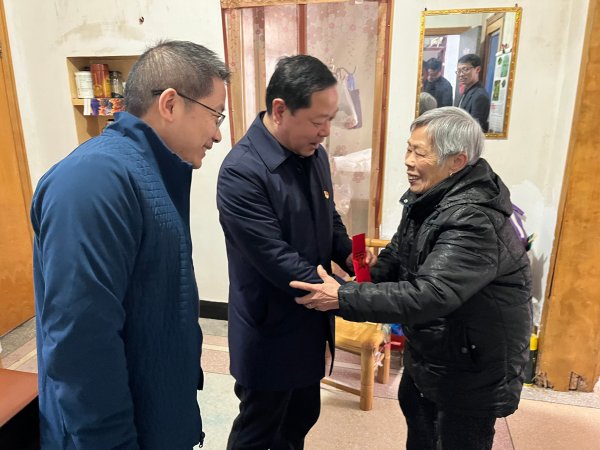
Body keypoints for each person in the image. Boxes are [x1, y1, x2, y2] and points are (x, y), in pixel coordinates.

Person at [291, 107, 533, 450]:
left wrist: (343, 297)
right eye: (408, 149)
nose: (407, 161)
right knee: (419, 430)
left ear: (457, 162)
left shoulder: (474, 219)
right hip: (434, 353)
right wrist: (365, 276)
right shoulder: (428, 198)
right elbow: (397, 255)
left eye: (419, 153)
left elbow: (430, 295)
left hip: (471, 368)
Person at [31, 40, 230, 449]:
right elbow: (81, 347)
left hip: (157, 416)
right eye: (215, 114)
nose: (217, 133)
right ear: (170, 104)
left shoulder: (151, 171)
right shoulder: (93, 180)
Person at [217, 55, 372, 450]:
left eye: (331, 119)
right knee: (259, 430)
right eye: (318, 121)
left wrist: (352, 256)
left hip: (311, 320)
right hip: (269, 328)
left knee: (301, 418)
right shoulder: (242, 172)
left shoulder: (313, 154)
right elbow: (275, 258)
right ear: (280, 110)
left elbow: (328, 218)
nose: (326, 131)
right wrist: (348, 294)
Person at [454, 53, 491, 132]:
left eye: (465, 69)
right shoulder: (467, 91)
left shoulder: (479, 96)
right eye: (459, 71)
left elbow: (475, 128)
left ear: (477, 69)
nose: (461, 74)